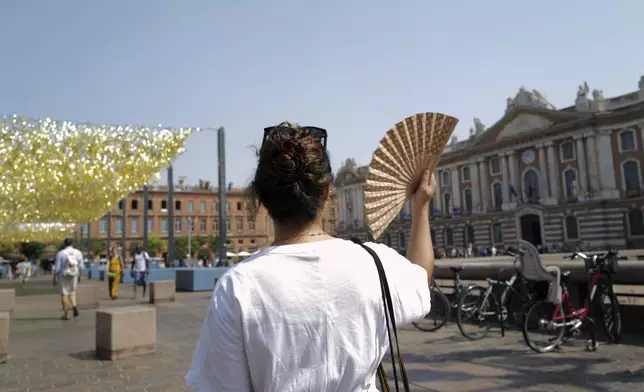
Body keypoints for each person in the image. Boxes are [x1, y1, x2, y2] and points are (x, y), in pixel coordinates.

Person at [186, 122, 435, 391]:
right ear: (328, 192)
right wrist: (421, 207)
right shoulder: (375, 262)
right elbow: (421, 276)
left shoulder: (238, 286)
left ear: (261, 198)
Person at [53, 238, 84, 320]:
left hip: (64, 275)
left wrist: (54, 278)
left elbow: (57, 268)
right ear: (72, 244)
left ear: (64, 244)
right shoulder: (78, 252)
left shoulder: (60, 253)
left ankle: (66, 314)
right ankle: (74, 305)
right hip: (74, 274)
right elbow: (81, 266)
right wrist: (80, 276)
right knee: (72, 292)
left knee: (64, 294)